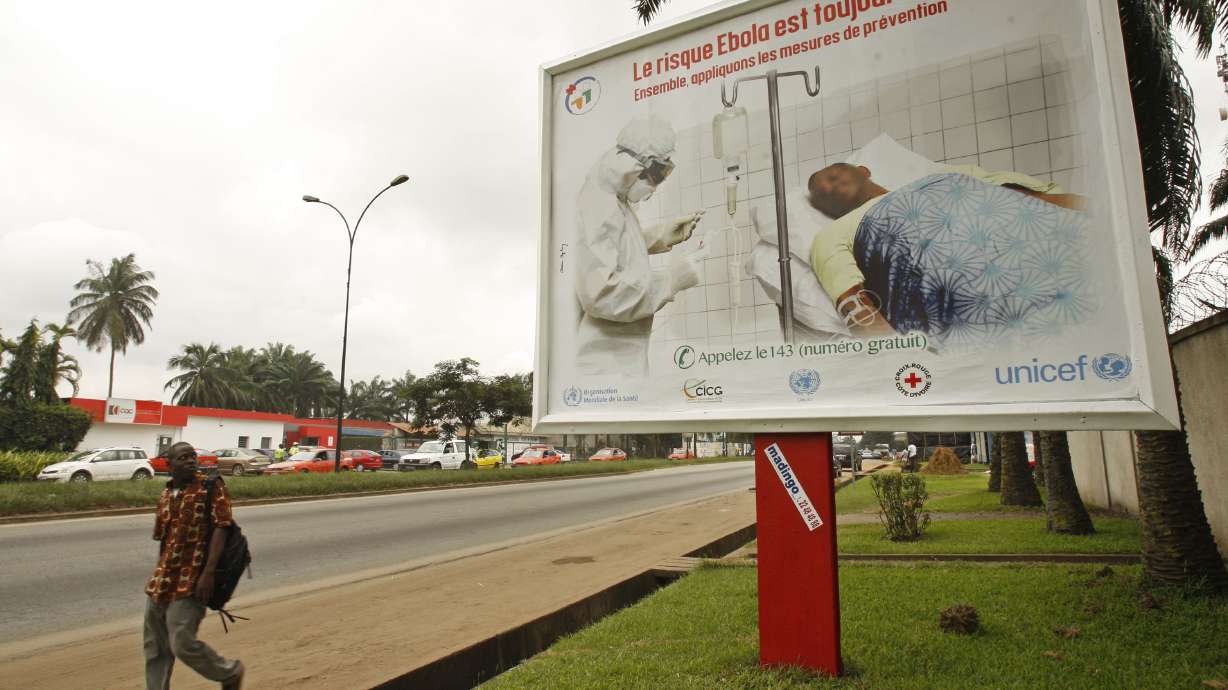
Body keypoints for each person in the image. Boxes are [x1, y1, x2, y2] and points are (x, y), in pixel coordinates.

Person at [806, 163, 1090, 345]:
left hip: (1073, 265)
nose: (827, 186)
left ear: (863, 169)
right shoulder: (832, 236)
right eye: (821, 193)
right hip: (992, 317)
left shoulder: (953, 177)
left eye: (831, 174)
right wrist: (904, 363)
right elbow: (859, 309)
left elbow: (1040, 204)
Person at [574, 114, 708, 375]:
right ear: (631, 166)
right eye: (656, 174)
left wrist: (659, 236)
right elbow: (601, 294)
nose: (655, 186)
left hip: (618, 359)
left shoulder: (610, 196)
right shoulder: (597, 203)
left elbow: (608, 247)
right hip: (603, 369)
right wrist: (670, 280)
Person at [143, 442, 245, 690]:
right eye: (183, 457)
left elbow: (222, 527)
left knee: (182, 643)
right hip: (163, 579)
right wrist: (158, 572)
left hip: (193, 577)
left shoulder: (211, 487)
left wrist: (208, 574)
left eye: (192, 456)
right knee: (155, 646)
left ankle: (229, 673)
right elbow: (164, 539)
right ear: (170, 464)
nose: (190, 461)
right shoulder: (166, 494)